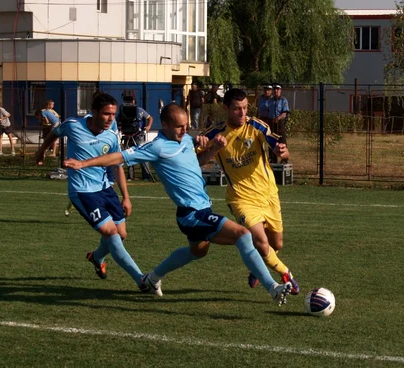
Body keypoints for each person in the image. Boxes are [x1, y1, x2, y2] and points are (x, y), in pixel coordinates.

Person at [63, 103, 293, 306]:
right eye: (179, 126)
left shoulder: (185, 140)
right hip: (192, 214)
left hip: (201, 210)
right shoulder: (157, 147)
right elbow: (119, 158)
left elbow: (196, 163)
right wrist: (84, 164)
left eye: (186, 125)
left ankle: (152, 278)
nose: (185, 130)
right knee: (243, 235)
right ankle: (273, 288)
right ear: (164, 124)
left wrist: (212, 149)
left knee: (197, 253)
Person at [35, 92, 153, 294]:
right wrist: (41, 151)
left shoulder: (111, 134)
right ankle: (141, 280)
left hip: (106, 188)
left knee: (121, 234)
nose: (110, 119)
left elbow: (117, 163)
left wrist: (126, 196)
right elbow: (55, 132)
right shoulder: (74, 125)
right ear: (94, 112)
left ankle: (97, 257)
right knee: (111, 232)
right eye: (106, 114)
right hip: (82, 191)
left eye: (113, 114)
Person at [202, 88, 300, 295]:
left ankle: (256, 267)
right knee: (261, 241)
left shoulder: (256, 126)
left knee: (276, 244)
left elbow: (279, 149)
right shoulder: (213, 134)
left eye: (245, 108)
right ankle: (286, 274)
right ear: (226, 108)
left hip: (268, 194)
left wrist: (283, 152)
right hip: (241, 198)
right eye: (237, 109)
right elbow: (194, 163)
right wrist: (212, 150)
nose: (242, 113)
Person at [116, 91, 153, 181]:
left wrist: (148, 127)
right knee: (129, 154)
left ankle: (146, 175)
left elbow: (150, 118)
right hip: (126, 134)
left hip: (138, 134)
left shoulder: (139, 110)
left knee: (142, 154)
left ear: (134, 100)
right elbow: (117, 121)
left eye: (130, 100)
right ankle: (131, 176)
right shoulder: (121, 111)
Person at [269, 84, 290, 163]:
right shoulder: (270, 100)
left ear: (280, 90)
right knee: (271, 139)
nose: (276, 91)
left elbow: (285, 112)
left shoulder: (283, 100)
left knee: (282, 140)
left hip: (280, 122)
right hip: (271, 121)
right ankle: (272, 158)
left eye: (277, 89)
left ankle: (284, 159)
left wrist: (278, 118)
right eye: (274, 89)